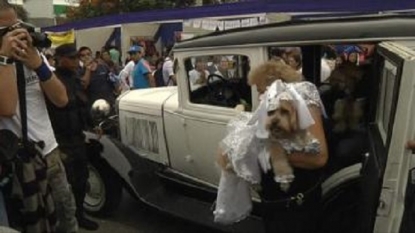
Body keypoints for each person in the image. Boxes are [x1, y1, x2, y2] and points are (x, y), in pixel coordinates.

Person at [216, 61, 328, 233]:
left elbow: (318, 157)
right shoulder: (273, 105)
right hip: (277, 203)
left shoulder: (301, 99)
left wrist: (261, 154)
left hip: (294, 206)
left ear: (274, 84)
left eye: (261, 90)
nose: (260, 96)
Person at [0, 2, 78, 232]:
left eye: (15, 27)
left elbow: (61, 99)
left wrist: (36, 64)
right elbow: (6, 107)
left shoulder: (34, 56)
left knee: (65, 216)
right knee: (30, 223)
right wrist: (5, 58)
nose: (13, 36)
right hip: (14, 162)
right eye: (4, 31)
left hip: (48, 154)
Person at [47, 43, 99, 231]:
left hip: (77, 138)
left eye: (77, 57)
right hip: (60, 141)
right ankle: (65, 222)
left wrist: (93, 126)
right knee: (64, 187)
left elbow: (82, 106)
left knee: (81, 180)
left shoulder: (75, 79)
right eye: (72, 57)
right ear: (60, 59)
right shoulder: (51, 81)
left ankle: (80, 216)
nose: (76, 61)